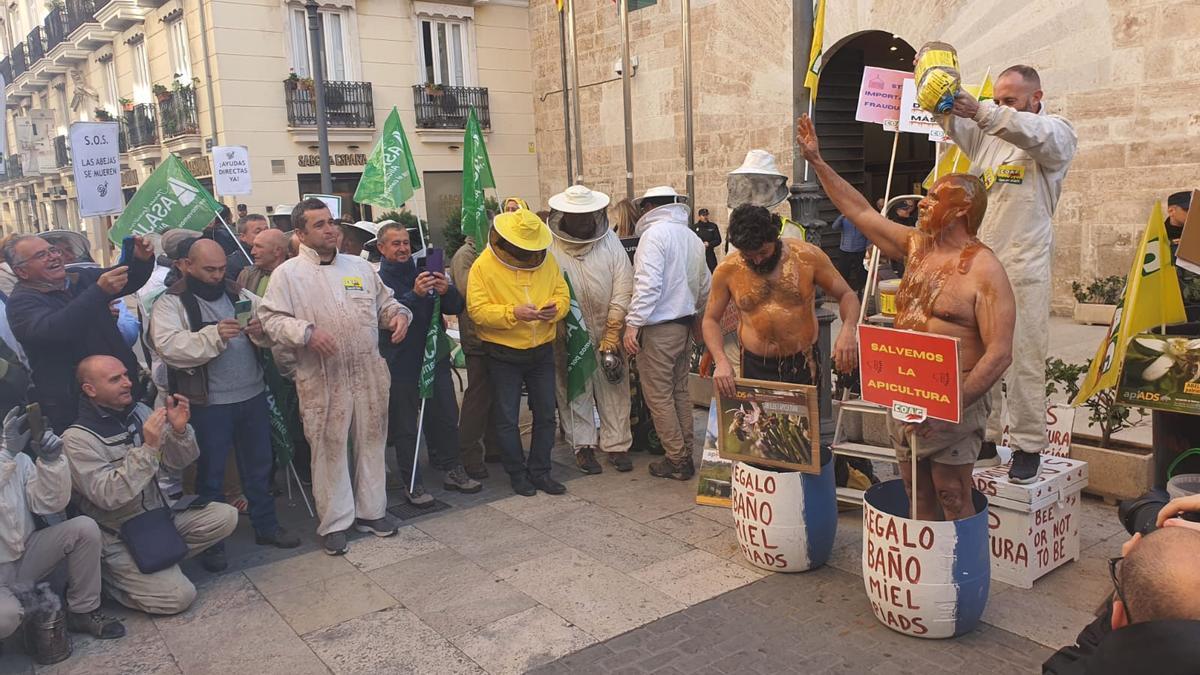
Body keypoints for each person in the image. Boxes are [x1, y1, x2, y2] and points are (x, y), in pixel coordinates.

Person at [798, 114, 1016, 521]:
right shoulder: (917, 246)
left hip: (955, 403)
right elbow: (861, 212)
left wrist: (951, 405)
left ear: (960, 211)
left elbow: (999, 353)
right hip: (906, 398)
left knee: (952, 493)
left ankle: (958, 573)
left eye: (933, 198)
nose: (922, 203)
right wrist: (818, 162)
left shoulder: (986, 270)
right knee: (915, 489)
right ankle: (924, 573)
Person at [936, 61, 1077, 485]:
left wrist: (983, 111)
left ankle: (1029, 446)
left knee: (1023, 359)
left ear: (1037, 98)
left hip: (1024, 266)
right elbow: (956, 123)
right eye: (997, 100)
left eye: (1010, 100)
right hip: (983, 266)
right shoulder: (988, 138)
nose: (1001, 108)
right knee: (978, 352)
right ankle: (986, 436)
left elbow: (1026, 131)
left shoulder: (1056, 133)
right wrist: (938, 94)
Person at [259, 199, 412, 555]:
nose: (330, 229)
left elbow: (384, 304)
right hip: (321, 376)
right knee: (328, 449)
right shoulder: (288, 275)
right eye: (319, 225)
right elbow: (271, 320)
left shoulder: (359, 266)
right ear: (300, 234)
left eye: (332, 222)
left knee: (372, 439)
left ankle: (373, 512)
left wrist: (398, 316)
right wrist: (306, 332)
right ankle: (335, 522)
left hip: (368, 370)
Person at [150, 239, 300, 570]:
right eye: (209, 269)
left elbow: (271, 322)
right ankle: (213, 542)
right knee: (210, 474)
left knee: (259, 467)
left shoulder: (238, 292)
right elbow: (170, 347)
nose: (218, 275)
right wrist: (214, 335)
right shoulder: (170, 302)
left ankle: (266, 526)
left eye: (221, 268)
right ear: (186, 265)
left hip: (251, 394)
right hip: (208, 403)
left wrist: (261, 331)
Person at [64, 356, 238, 614]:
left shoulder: (140, 412)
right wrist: (148, 448)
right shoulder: (76, 439)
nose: (127, 383)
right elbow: (108, 496)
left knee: (225, 515)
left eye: (126, 375)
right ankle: (113, 580)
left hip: (157, 519)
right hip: (118, 535)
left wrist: (179, 432)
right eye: (115, 379)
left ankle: (158, 565)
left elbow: (177, 463)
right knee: (179, 597)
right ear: (90, 390)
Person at [704, 203, 860, 411]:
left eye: (763, 252)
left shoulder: (807, 257)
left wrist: (848, 330)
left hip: (802, 363)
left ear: (775, 236)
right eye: (749, 256)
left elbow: (847, 295)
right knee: (761, 433)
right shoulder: (728, 269)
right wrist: (721, 361)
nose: (757, 260)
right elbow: (710, 320)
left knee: (803, 436)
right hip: (755, 365)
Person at [5, 233, 154, 433]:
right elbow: (56, 329)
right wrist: (98, 292)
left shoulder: (79, 277)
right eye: (41, 255)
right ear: (21, 271)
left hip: (120, 393)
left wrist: (142, 260)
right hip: (75, 406)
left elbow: (125, 280)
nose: (53, 257)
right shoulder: (21, 303)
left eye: (53, 250)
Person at [376, 222, 480, 505]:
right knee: (406, 425)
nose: (402, 248)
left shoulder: (423, 269)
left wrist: (446, 290)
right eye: (395, 244)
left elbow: (455, 307)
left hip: (434, 356)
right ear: (381, 248)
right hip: (401, 362)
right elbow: (384, 315)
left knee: (445, 414)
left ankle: (451, 467)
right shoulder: (378, 280)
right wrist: (415, 295)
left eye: (405, 243)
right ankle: (413, 481)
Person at [0, 406, 125, 640]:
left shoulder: (16, 456)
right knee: (5, 618)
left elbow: (48, 504)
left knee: (83, 529)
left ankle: (83, 611)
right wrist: (6, 456)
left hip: (24, 555)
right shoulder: (7, 455)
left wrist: (51, 463)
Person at [467, 209, 569, 497]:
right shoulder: (483, 266)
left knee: (547, 414)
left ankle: (541, 471)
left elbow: (562, 294)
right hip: (503, 353)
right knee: (507, 417)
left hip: (542, 350)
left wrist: (554, 310)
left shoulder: (547, 260)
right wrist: (513, 313)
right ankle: (517, 473)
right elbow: (477, 311)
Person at [624, 186, 711, 480]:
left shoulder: (654, 236)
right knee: (680, 392)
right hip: (684, 324)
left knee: (659, 396)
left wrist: (632, 324)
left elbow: (647, 286)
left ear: (649, 207)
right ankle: (684, 453)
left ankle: (676, 459)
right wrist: (697, 315)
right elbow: (704, 286)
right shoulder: (692, 237)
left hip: (659, 328)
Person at [547, 185, 635, 474]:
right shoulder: (550, 245)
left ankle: (617, 444)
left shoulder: (609, 241)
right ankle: (582, 445)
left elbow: (624, 282)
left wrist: (614, 326)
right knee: (574, 388)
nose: (585, 221)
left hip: (608, 325)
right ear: (565, 216)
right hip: (570, 329)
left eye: (588, 215)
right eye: (578, 216)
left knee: (614, 383)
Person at [450, 231, 501, 480]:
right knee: (478, 398)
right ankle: (469, 453)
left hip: (495, 335)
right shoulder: (465, 256)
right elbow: (470, 291)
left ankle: (494, 446)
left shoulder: (489, 253)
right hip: (476, 336)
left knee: (495, 394)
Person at [237, 228, 290, 296]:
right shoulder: (247, 275)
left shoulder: (295, 276)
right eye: (253, 246)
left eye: (259, 247)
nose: (252, 252)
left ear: (277, 251)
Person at [832, 210, 870, 296]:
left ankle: (861, 293)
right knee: (843, 273)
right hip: (845, 250)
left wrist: (867, 247)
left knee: (861, 274)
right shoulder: (844, 219)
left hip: (860, 250)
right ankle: (842, 293)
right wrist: (842, 216)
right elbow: (834, 227)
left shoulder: (863, 220)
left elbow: (868, 234)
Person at [225, 214, 268, 282]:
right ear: (243, 237)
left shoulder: (274, 255)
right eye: (258, 232)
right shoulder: (232, 263)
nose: (264, 234)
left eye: (266, 230)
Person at [690, 208, 722, 272]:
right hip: (698, 255)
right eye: (703, 215)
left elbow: (718, 240)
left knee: (712, 271)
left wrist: (709, 244)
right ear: (699, 216)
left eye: (706, 215)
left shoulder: (713, 226)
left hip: (709, 254)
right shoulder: (694, 227)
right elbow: (691, 241)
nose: (705, 217)